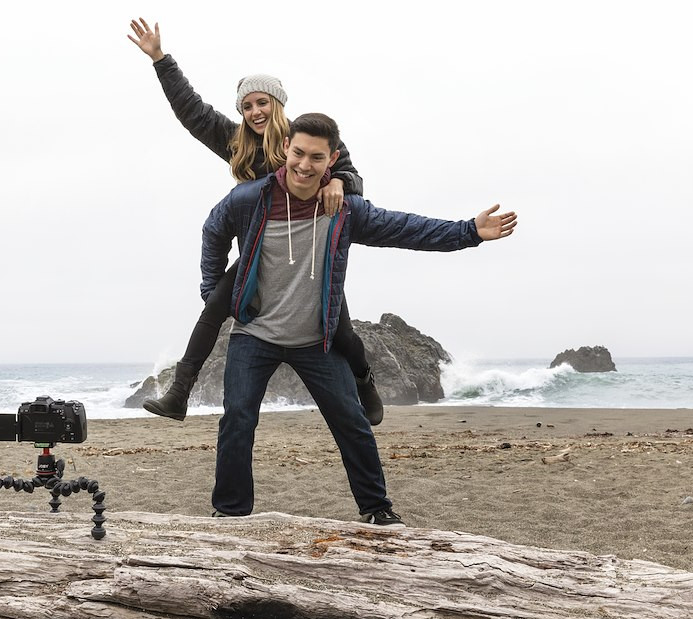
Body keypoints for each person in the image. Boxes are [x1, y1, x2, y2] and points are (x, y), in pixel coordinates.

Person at [203, 113, 517, 524]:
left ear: (331, 160)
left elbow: (407, 229)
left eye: (317, 157)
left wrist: (469, 231)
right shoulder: (250, 199)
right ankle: (230, 513)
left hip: (316, 338)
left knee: (351, 422)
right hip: (254, 334)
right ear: (285, 149)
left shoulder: (344, 209)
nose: (304, 165)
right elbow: (213, 230)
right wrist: (213, 294)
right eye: (299, 153)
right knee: (238, 419)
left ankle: (376, 509)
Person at [127, 17, 384, 425]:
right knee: (214, 305)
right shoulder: (236, 144)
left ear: (277, 103)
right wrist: (160, 59)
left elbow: (355, 181)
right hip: (258, 254)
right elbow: (192, 111)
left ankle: (364, 380)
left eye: (261, 103)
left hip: (311, 255)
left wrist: (339, 181)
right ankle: (179, 393)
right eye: (246, 106)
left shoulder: (307, 138)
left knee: (341, 331)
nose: (254, 112)